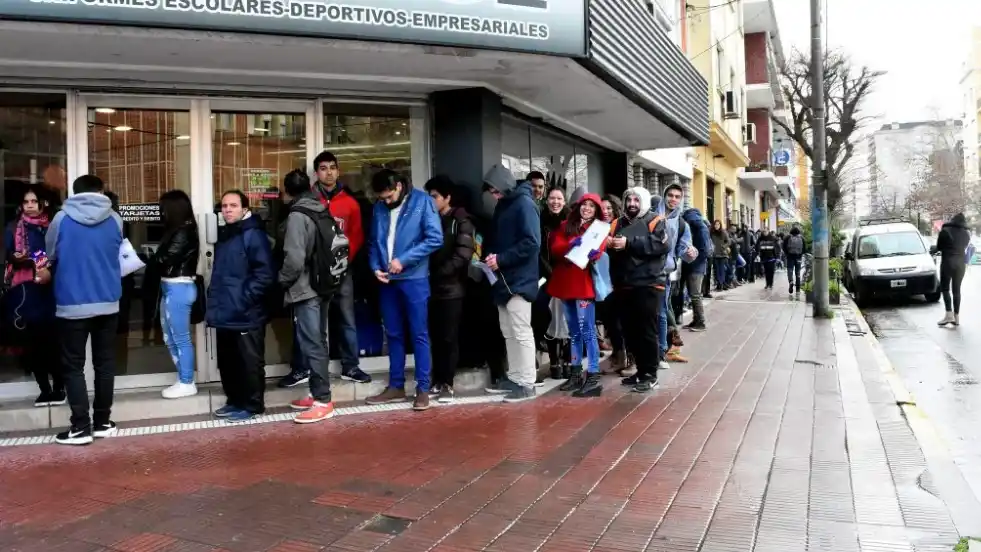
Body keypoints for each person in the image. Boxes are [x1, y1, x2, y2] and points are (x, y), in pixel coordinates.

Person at [45, 175, 123, 446]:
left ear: (74, 193)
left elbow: (49, 253)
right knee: (104, 364)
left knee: (73, 366)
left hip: (72, 303)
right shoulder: (114, 219)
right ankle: (102, 422)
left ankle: (80, 427)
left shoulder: (61, 218)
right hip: (108, 301)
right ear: (101, 191)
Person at [365, 169, 443, 410]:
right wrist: (375, 266)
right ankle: (396, 386)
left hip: (414, 278)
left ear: (398, 186)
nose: (386, 202)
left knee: (419, 333)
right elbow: (373, 241)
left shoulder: (422, 202)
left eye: (388, 197)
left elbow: (435, 238)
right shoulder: (380, 206)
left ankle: (422, 388)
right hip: (387, 280)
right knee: (394, 334)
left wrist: (404, 260)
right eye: (382, 199)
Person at [279, 170, 341, 423]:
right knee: (319, 340)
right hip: (323, 283)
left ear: (287, 192)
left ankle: (322, 400)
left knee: (311, 342)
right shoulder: (319, 208)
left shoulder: (297, 215)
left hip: (306, 288)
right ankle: (317, 392)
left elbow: (294, 259)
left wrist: (281, 281)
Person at [207, 190, 275, 422]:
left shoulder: (253, 235)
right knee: (229, 361)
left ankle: (253, 405)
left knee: (249, 361)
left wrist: (244, 299)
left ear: (245, 209)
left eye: (233, 205)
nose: (227, 210)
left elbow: (264, 275)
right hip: (227, 311)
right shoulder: (227, 234)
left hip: (246, 312)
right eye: (224, 206)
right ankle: (235, 401)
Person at [308, 150, 371, 385]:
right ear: (316, 173)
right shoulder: (309, 201)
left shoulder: (350, 203)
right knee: (316, 322)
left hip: (343, 272)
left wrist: (342, 261)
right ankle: (317, 368)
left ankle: (350, 366)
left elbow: (356, 236)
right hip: (316, 274)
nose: (329, 172)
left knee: (347, 319)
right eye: (323, 168)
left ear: (338, 170)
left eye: (332, 167)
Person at [482, 164, 541, 403]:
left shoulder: (524, 204)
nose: (494, 195)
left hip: (517, 279)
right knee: (510, 331)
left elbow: (532, 242)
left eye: (496, 191)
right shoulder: (509, 203)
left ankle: (526, 382)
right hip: (507, 279)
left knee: (519, 330)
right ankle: (517, 377)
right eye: (492, 192)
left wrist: (500, 258)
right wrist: (492, 256)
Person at [546, 193, 608, 398]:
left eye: (591, 206)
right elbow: (554, 249)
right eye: (584, 204)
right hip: (566, 283)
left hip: (583, 285)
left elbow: (599, 251)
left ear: (596, 210)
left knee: (588, 331)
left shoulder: (598, 229)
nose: (587, 208)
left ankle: (593, 376)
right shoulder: (566, 225)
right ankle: (575, 373)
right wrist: (571, 244)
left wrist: (594, 254)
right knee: (574, 332)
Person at [3, 186, 60, 407]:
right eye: (26, 202)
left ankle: (59, 388)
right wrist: (17, 258)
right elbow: (7, 256)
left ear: (42, 204)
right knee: (33, 343)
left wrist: (42, 265)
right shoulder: (14, 228)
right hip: (25, 291)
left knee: (53, 341)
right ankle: (44, 389)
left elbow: (56, 254)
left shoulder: (51, 226)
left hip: (49, 290)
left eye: (34, 201)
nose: (30, 206)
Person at [609, 187, 669, 393]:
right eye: (629, 200)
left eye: (636, 200)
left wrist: (629, 243)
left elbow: (661, 245)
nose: (632, 203)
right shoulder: (616, 223)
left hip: (648, 285)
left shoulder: (656, 221)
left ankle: (650, 374)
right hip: (624, 285)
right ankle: (641, 371)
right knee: (630, 331)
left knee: (647, 331)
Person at [424, 175, 476, 403]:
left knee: (448, 336)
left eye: (434, 196)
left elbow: (463, 255)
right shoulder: (430, 218)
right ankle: (437, 379)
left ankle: (448, 383)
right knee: (434, 336)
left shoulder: (461, 220)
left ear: (447, 197)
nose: (431, 200)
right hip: (430, 288)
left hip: (452, 288)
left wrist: (436, 273)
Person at [153, 190, 200, 399]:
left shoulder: (183, 231)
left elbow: (166, 259)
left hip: (179, 287)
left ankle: (187, 381)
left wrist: (154, 257)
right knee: (170, 337)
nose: (161, 212)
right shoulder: (178, 230)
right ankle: (184, 377)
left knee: (180, 339)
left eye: (163, 208)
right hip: (171, 286)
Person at [655, 184, 696, 365]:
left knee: (662, 312)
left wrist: (690, 252)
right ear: (664, 196)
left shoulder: (682, 224)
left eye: (677, 196)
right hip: (643, 271)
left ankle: (662, 350)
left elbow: (682, 249)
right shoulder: (651, 216)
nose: (673, 199)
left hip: (664, 272)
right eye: (670, 195)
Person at [534, 187, 570, 379]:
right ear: (547, 200)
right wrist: (551, 273)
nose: (555, 202)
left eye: (559, 198)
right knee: (542, 309)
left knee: (567, 317)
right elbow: (539, 250)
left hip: (569, 275)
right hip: (547, 275)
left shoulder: (571, 220)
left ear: (564, 201)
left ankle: (566, 360)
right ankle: (552, 357)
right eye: (552, 198)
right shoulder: (540, 220)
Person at [600, 194, 629, 371]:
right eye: (602, 208)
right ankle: (618, 355)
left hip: (622, 279)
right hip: (603, 282)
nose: (606, 212)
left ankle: (630, 357)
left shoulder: (623, 225)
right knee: (610, 321)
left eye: (609, 208)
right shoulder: (597, 227)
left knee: (623, 321)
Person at [935, 213, 971, 326]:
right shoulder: (966, 233)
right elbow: (965, 247)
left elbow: (939, 247)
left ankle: (948, 315)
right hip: (960, 263)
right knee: (957, 290)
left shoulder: (945, 230)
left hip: (948, 262)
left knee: (945, 289)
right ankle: (957, 317)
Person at [681, 207, 710, 331]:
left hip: (696, 266)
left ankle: (701, 322)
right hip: (695, 265)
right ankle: (696, 320)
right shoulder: (700, 226)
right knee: (694, 294)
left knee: (695, 294)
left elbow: (704, 250)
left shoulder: (698, 227)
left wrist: (693, 261)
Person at [783, 225, 806, 294]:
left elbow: (784, 247)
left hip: (790, 257)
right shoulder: (802, 238)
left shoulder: (787, 237)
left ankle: (791, 282)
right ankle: (798, 289)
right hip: (798, 257)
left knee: (790, 271)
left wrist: (787, 254)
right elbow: (804, 249)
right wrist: (800, 254)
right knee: (798, 272)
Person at [710, 220, 729, 292]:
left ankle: (720, 284)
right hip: (715, 254)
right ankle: (719, 284)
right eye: (715, 224)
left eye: (718, 224)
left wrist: (724, 246)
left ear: (720, 225)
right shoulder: (711, 233)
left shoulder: (723, 232)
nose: (716, 226)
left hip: (722, 254)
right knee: (717, 270)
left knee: (721, 270)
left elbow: (728, 241)